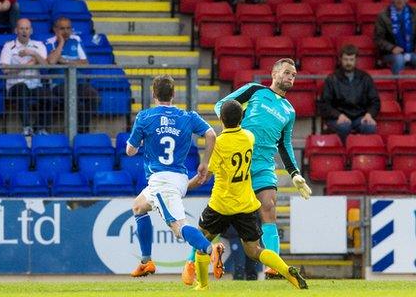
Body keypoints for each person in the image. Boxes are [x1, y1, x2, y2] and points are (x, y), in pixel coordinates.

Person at [184, 58, 311, 281]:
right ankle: (192, 264)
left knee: (269, 207)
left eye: (294, 75)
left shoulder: (289, 111)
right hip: (237, 162)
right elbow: (221, 106)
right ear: (274, 74)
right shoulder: (255, 90)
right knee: (211, 227)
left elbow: (285, 144)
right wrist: (235, 125)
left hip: (263, 166)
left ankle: (274, 267)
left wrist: (295, 173)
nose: (291, 77)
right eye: (287, 73)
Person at [126, 74, 218, 289]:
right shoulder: (187, 116)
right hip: (178, 177)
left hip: (162, 181)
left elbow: (130, 151)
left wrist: (138, 145)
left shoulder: (145, 117)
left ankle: (209, 250)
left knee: (178, 227)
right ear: (174, 94)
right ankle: (146, 261)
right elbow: (212, 134)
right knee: (139, 206)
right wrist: (205, 163)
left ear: (153, 94)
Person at [46, 17, 99, 134]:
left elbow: (85, 63)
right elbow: (51, 61)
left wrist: (65, 62)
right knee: (74, 100)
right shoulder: (50, 42)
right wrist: (61, 43)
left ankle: (83, 132)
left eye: (68, 28)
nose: (65, 31)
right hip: (59, 84)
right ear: (55, 30)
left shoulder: (76, 41)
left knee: (93, 95)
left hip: (77, 82)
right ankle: (76, 133)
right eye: (62, 29)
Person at [318, 44, 380, 142]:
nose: (348, 63)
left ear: (356, 60)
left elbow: (375, 101)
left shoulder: (365, 78)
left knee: (369, 127)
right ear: (340, 60)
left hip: (360, 117)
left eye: (351, 60)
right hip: (337, 117)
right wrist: (338, 115)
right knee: (344, 127)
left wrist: (369, 114)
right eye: (346, 59)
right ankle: (343, 154)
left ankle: (361, 154)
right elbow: (324, 104)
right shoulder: (332, 79)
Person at [0, 18, 51, 136]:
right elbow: (5, 69)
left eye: (27, 28)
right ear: (16, 30)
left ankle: (39, 128)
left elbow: (46, 66)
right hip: (15, 86)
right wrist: (29, 64)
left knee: (48, 95)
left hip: (34, 85)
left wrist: (34, 54)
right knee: (22, 89)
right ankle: (26, 127)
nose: (24, 31)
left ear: (31, 31)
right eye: (21, 28)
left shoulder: (39, 46)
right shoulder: (8, 46)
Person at [374, 0, 416, 74]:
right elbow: (378, 39)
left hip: (410, 52)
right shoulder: (383, 16)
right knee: (399, 58)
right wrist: (392, 48)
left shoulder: (414, 14)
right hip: (389, 54)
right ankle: (397, 85)